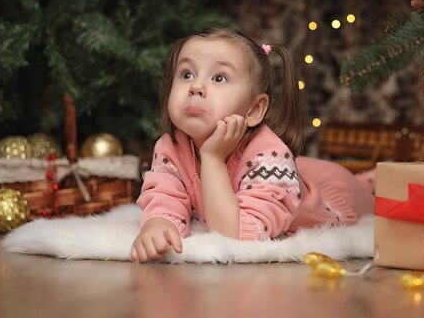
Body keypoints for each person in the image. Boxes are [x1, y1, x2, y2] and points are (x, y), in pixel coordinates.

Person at [131, 28, 374, 262]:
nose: (195, 87)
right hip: (297, 172)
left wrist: (213, 159)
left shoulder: (271, 156)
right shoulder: (171, 145)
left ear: (254, 109)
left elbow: (235, 236)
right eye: (186, 74)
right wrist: (159, 223)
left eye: (219, 77)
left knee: (377, 191)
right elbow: (165, 195)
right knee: (298, 171)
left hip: (336, 191)